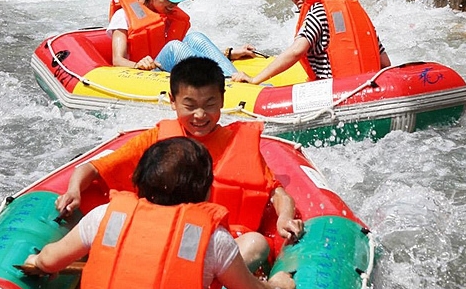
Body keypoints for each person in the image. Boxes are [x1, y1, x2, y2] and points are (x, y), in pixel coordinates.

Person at [56, 56, 303, 269]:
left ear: (223, 100)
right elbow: (92, 168)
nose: (200, 115)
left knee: (256, 245)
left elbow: (278, 194)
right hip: (160, 239)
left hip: (217, 247)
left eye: (210, 105)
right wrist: (73, 190)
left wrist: (284, 217)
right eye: (190, 105)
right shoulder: (155, 140)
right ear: (173, 101)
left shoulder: (239, 144)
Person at [22, 137, 297, 289]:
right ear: (206, 191)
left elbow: (49, 260)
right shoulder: (214, 241)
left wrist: (39, 262)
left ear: (139, 183)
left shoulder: (104, 216)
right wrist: (277, 287)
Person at [231, 0, 392, 85]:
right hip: (368, 86)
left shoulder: (318, 11)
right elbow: (384, 62)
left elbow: (296, 51)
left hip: (336, 93)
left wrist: (255, 79)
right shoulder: (354, 10)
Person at [108, 0, 254, 76]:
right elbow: (117, 60)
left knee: (195, 37)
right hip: (145, 74)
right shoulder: (122, 16)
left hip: (168, 68)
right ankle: (222, 81)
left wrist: (228, 54)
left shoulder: (166, 14)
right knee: (174, 47)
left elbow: (187, 52)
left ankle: (233, 77)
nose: (175, 4)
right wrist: (137, 65)